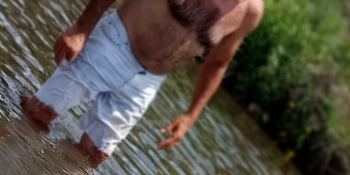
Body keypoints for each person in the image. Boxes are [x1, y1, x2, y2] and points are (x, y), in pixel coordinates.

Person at [21, 0, 264, 163]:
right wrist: (82, 28)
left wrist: (191, 115)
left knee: (93, 156)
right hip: (115, 42)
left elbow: (218, 62)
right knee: (39, 113)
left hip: (150, 81)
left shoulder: (251, 11)